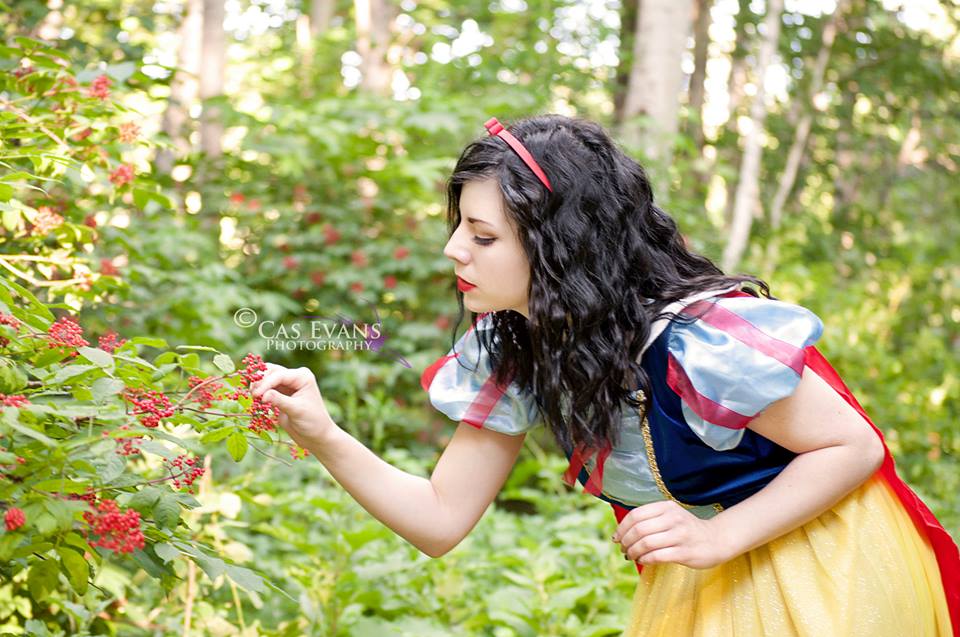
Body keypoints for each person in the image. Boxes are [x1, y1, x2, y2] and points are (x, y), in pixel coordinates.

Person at [251, 114, 959, 636]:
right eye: (460, 225)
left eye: (483, 234)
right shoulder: (518, 347)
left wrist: (716, 538)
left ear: (559, 245)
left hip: (824, 563)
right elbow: (440, 519)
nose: (452, 249)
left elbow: (854, 446)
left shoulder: (695, 338)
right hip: (705, 579)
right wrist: (323, 434)